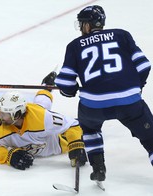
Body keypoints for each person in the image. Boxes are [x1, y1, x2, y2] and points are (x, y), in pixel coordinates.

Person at [55, 5, 153, 182]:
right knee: (150, 137)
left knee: (90, 128)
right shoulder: (122, 35)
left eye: (82, 23)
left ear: (88, 25)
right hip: (130, 102)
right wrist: (136, 87)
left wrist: (70, 91)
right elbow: (144, 66)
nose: (81, 27)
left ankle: (98, 168)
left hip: (94, 105)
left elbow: (64, 83)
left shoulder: (75, 46)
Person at [0, 72, 87, 170]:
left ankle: (46, 89)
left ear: (16, 114)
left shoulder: (42, 117)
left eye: (4, 113)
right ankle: (46, 87)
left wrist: (76, 145)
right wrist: (9, 156)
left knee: (42, 108)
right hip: (37, 116)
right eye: (0, 111)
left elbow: (72, 124)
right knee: (40, 105)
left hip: (57, 142)